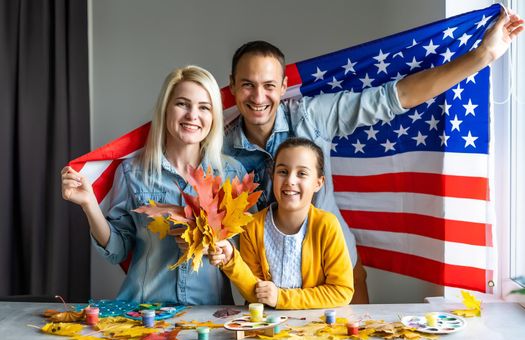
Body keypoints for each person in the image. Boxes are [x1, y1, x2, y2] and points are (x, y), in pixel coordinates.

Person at [222, 8, 524, 304]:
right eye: (248, 85)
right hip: (265, 286)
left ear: (284, 87)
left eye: (269, 86)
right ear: (233, 85)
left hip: (335, 274)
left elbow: (394, 98)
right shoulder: (219, 148)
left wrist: (483, 56)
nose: (258, 97)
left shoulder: (311, 116)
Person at [61, 65, 247, 304]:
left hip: (209, 314)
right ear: (165, 109)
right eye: (182, 104)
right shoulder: (132, 172)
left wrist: (214, 245)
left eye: (204, 107)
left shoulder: (232, 175)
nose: (192, 115)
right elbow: (117, 251)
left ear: (213, 117)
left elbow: (245, 254)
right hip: (144, 312)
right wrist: (89, 205)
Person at [210, 137, 353, 309]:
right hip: (264, 326)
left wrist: (280, 298)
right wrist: (232, 260)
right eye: (283, 171)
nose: (290, 181)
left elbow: (341, 291)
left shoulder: (326, 225)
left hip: (313, 327)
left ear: (318, 183)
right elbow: (253, 294)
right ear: (272, 175)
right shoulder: (253, 226)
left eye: (302, 173)